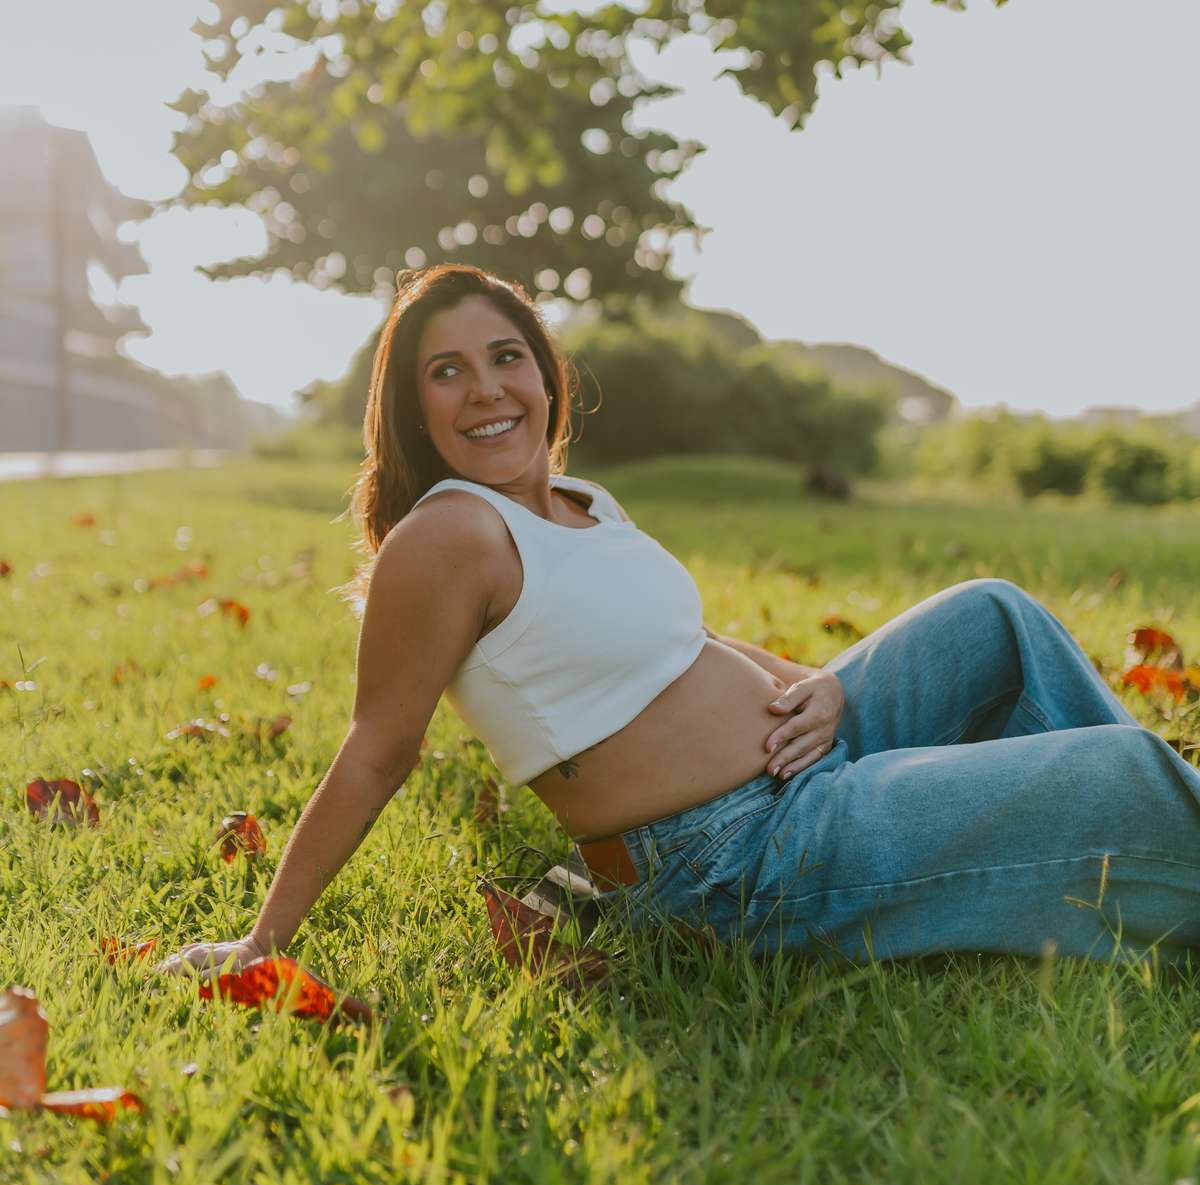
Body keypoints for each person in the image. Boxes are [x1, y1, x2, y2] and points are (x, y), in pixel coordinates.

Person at [164, 264, 1200, 975]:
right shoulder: (449, 538)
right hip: (737, 861)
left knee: (994, 618)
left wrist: (813, 682)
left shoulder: (582, 503)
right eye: (447, 372)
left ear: (544, 373)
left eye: (506, 356)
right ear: (415, 407)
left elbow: (686, 645)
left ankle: (1127, 838)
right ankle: (1143, 821)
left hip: (798, 759)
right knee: (1125, 775)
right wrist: (262, 942)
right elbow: (375, 751)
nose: (485, 389)